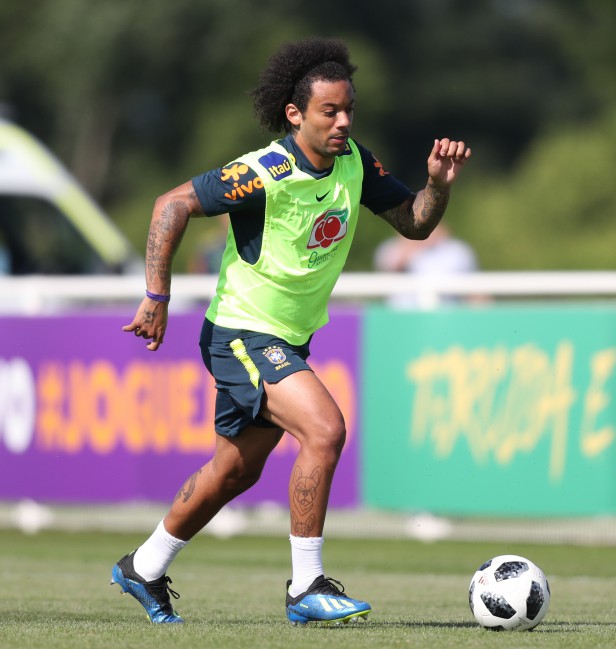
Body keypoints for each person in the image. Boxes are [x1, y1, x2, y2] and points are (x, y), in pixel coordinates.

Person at [115, 37, 470, 626]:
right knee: (325, 430)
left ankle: (144, 566)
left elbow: (414, 223)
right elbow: (170, 205)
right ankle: (306, 586)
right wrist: (157, 295)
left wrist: (439, 185)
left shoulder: (356, 162)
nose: (344, 122)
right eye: (330, 111)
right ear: (295, 114)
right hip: (242, 333)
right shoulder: (264, 171)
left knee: (235, 470)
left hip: (284, 339)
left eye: (349, 109)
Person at [374, 221, 479, 308]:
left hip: (446, 314)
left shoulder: (457, 250)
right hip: (400, 314)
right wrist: (412, 243)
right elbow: (391, 267)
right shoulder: (391, 247)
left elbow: (473, 288)